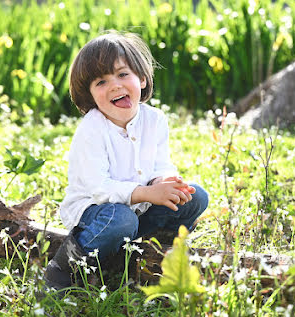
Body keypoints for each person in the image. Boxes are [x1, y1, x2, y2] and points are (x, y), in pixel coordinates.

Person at [44, 31, 209, 290]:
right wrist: (146, 192)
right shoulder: (92, 129)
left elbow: (160, 164)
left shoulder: (154, 120)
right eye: (101, 82)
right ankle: (63, 269)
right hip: (98, 212)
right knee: (121, 220)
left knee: (195, 196)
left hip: (139, 210)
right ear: (90, 95)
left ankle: (148, 251)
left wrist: (165, 180)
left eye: (123, 74)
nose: (115, 85)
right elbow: (100, 188)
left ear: (142, 79)